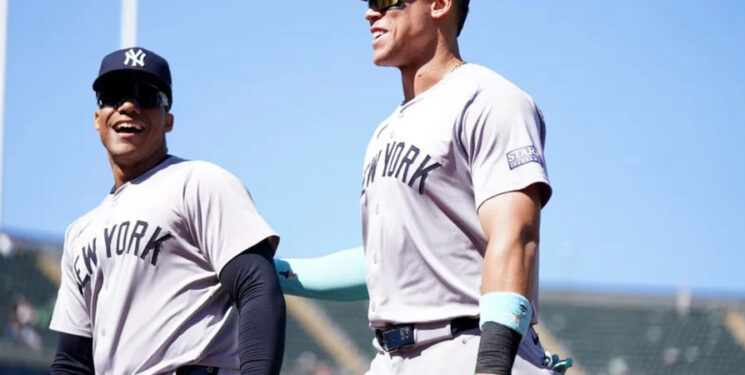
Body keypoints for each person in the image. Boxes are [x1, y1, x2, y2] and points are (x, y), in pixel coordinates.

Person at [275, 0, 573, 374]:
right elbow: (386, 262)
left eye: (384, 1)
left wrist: (493, 365)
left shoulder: (491, 99)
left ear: (439, 4)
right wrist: (273, 271)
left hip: (467, 348)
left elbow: (516, 234)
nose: (371, 13)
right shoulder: (387, 129)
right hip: (389, 359)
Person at [49, 47, 285, 375]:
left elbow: (256, 286)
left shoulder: (199, 182)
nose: (129, 106)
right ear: (97, 118)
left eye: (146, 96)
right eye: (114, 96)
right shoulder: (79, 233)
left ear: (168, 120)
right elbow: (72, 361)